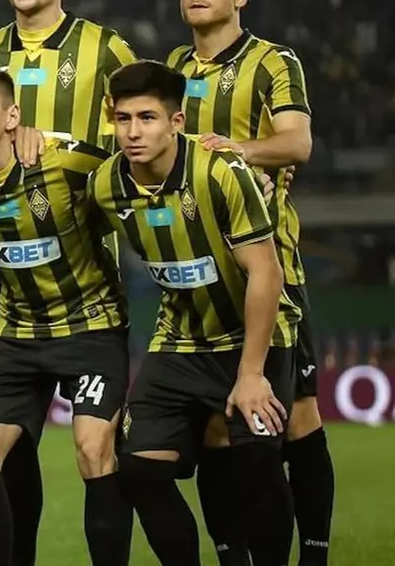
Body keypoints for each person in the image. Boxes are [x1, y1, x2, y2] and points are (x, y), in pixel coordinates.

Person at [0, 0, 137, 565]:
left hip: (84, 275)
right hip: (6, 283)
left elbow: (141, 141)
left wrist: (62, 147)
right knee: (0, 448)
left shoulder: (106, 50)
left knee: (95, 448)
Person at [89, 59, 298, 566]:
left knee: (258, 459)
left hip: (253, 339)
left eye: (147, 118)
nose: (133, 132)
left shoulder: (221, 172)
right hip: (179, 339)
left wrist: (251, 374)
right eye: (123, 119)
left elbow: (266, 273)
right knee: (139, 469)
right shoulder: (105, 185)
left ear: (176, 122)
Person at [0, 61, 132, 566]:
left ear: (12, 116)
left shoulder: (67, 164)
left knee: (93, 449)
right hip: (16, 332)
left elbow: (141, 175)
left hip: (91, 325)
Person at [165, 0, 330, 566]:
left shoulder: (272, 61)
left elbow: (297, 143)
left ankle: (312, 555)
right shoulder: (173, 67)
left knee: (297, 419)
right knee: (216, 424)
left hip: (269, 267)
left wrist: (235, 151)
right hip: (197, 274)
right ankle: (233, 555)